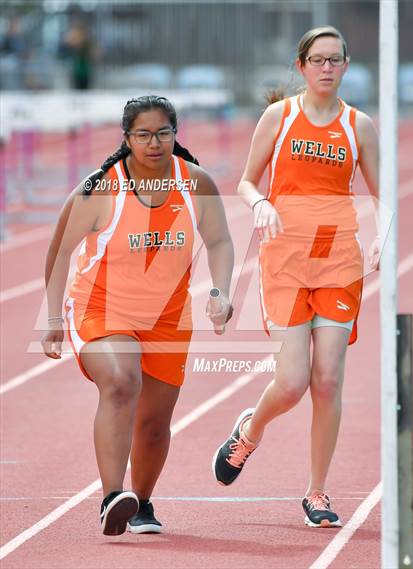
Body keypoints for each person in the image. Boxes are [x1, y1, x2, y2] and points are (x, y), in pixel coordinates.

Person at [42, 95, 233, 535]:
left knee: (154, 422)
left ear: (175, 135)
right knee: (123, 381)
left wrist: (220, 291)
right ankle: (112, 496)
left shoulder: (195, 184)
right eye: (143, 134)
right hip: (101, 305)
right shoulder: (98, 188)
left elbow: (221, 241)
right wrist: (53, 317)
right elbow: (59, 250)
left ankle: (141, 503)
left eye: (163, 133)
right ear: (126, 138)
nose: (154, 143)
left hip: (167, 316)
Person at [212, 26, 379, 528]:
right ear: (301, 66)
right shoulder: (279, 117)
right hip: (285, 260)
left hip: (338, 261)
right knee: (290, 383)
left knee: (327, 381)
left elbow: (382, 191)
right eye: (318, 60)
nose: (327, 68)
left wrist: (380, 236)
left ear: (346, 66)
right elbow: (244, 180)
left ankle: (318, 492)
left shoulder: (358, 125)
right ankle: (249, 430)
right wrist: (260, 202)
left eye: (335, 60)